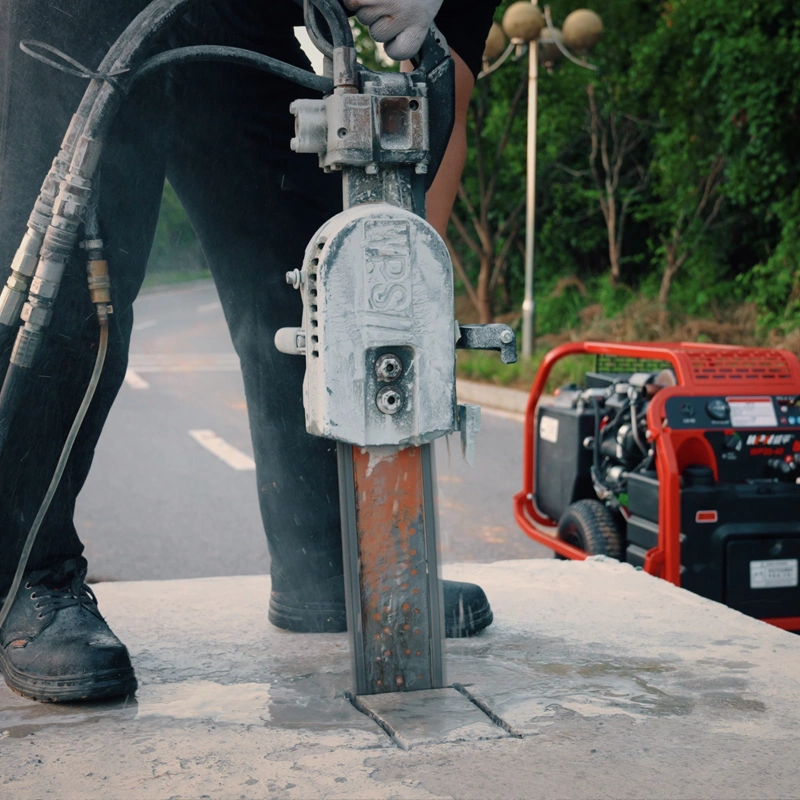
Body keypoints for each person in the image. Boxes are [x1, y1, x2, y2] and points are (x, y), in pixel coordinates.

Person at [0, 0, 500, 703]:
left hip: (249, 17)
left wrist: (401, 291)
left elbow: (449, 88)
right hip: (86, 11)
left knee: (308, 265)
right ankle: (27, 570)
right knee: (77, 263)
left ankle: (328, 557)